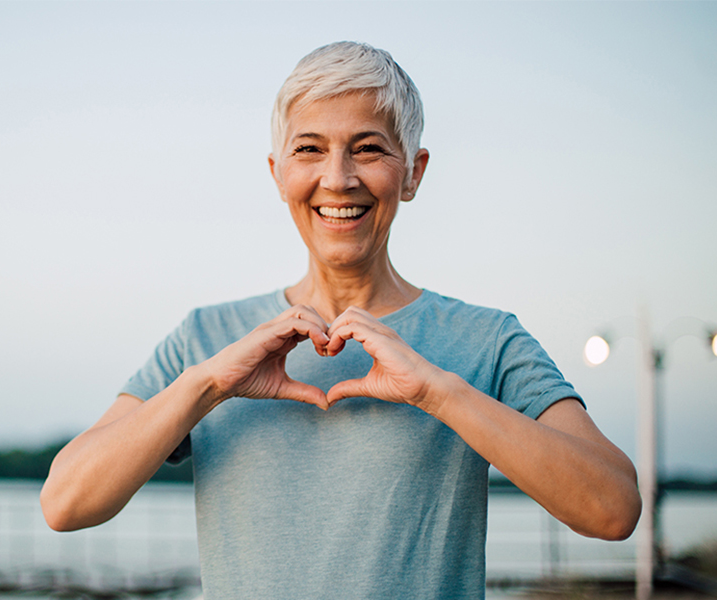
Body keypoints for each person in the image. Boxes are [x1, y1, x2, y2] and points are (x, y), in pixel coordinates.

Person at [38, 41, 641, 599]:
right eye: (310, 149)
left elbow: (613, 508)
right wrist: (208, 386)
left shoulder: (488, 340)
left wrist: (437, 391)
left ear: (414, 172)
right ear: (277, 173)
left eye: (369, 147)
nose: (338, 177)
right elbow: (65, 502)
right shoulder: (204, 340)